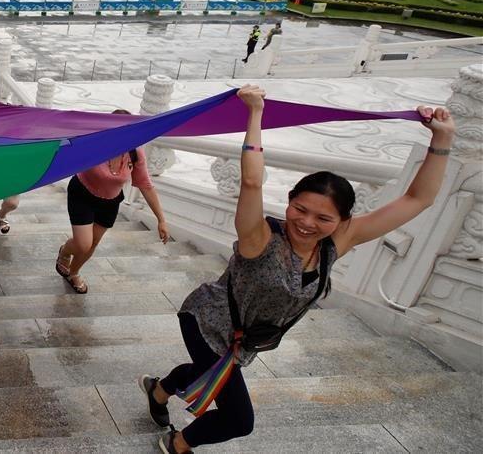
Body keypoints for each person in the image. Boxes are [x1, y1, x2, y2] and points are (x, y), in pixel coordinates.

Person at [140, 86, 454, 454]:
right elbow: (252, 181)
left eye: (323, 217)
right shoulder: (259, 238)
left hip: (243, 340)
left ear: (342, 221)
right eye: (299, 209)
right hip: (208, 321)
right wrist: (255, 113)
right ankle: (177, 443)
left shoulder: (335, 244)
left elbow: (419, 199)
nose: (306, 223)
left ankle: (158, 389)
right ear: (289, 201)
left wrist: (442, 140)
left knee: (209, 372)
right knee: (239, 419)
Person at [56, 110, 168, 294]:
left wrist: (161, 219)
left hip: (110, 202)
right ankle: (65, 252)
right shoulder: (95, 144)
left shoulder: (135, 153)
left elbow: (145, 185)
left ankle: (74, 272)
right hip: (82, 193)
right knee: (83, 243)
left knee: (92, 244)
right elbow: (67, 151)